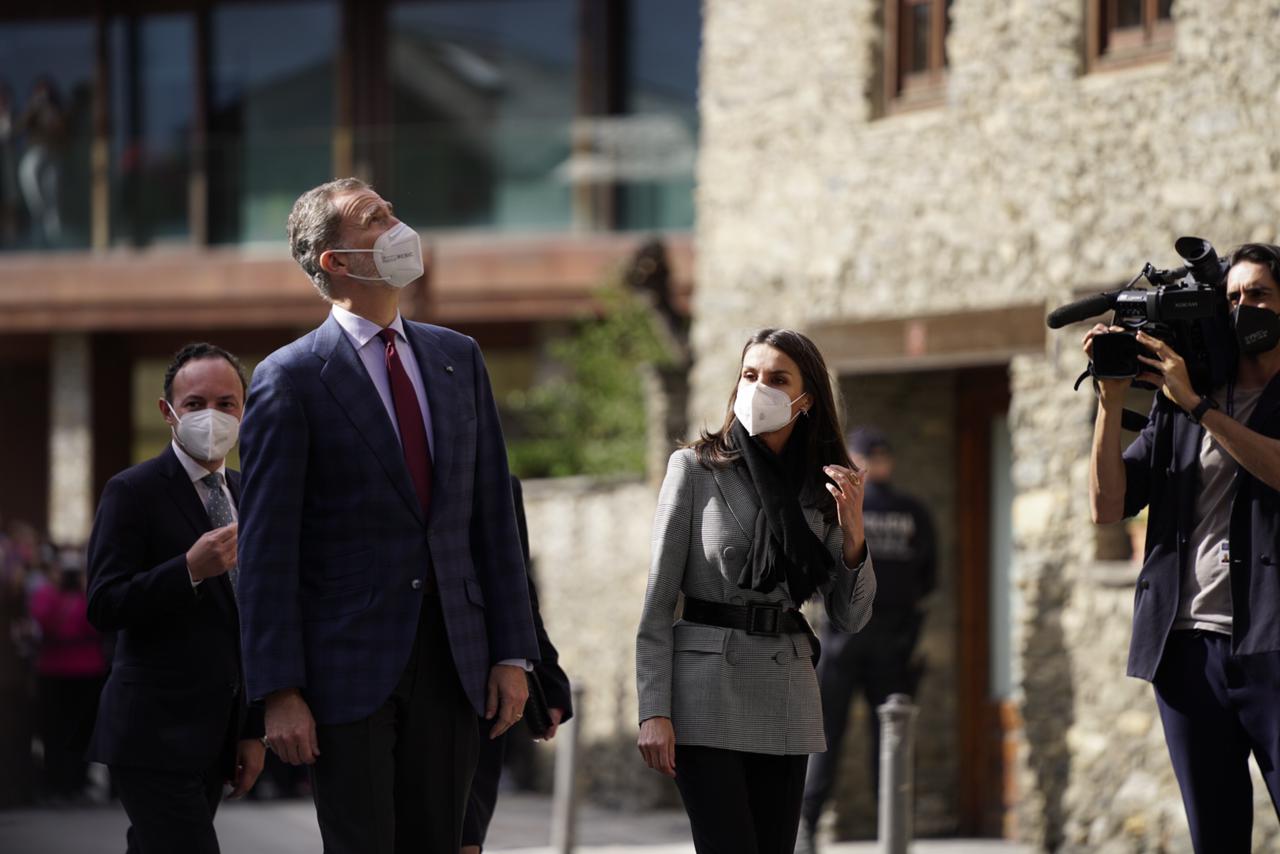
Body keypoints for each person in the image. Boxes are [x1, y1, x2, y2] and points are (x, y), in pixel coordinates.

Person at [238, 177, 539, 854]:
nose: (399, 225)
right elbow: (267, 551)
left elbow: (494, 517)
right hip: (347, 672)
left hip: (455, 660)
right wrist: (278, 691)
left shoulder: (459, 358)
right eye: (375, 219)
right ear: (336, 263)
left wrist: (513, 653)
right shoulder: (289, 379)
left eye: (392, 210)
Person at [636, 328, 877, 854]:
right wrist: (654, 710)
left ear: (805, 399)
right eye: (750, 375)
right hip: (705, 688)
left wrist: (854, 531)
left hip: (785, 687)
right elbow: (657, 603)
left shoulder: (823, 487)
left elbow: (850, 617)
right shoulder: (696, 469)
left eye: (777, 379)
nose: (759, 388)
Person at [1086, 243, 1280, 853]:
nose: (1244, 307)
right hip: (1187, 654)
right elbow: (1107, 506)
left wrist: (1197, 405)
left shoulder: (1191, 400)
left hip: (1273, 650)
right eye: (1233, 298)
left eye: (1259, 295)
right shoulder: (1179, 404)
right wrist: (1111, 401)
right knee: (1215, 840)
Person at [85, 343, 265, 853]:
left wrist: (251, 730)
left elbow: (249, 622)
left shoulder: (246, 492)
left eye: (226, 403)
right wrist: (188, 570)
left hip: (217, 733)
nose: (212, 415)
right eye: (195, 403)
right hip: (152, 732)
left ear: (244, 408)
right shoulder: (133, 491)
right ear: (168, 412)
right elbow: (103, 603)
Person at [798, 427, 935, 851]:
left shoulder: (835, 508)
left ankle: (807, 827)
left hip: (843, 639)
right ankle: (893, 833)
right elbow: (929, 579)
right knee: (890, 739)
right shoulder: (913, 511)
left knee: (825, 739)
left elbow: (814, 572)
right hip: (891, 641)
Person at [461, 475, 573, 854]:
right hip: (383, 683)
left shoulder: (498, 485)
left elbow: (517, 589)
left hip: (476, 686)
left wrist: (547, 673)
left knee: (466, 837)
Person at [29, 554, 105, 802]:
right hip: (54, 670)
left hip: (86, 670)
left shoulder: (87, 593)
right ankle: (57, 782)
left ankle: (78, 781)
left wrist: (83, 591)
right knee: (54, 730)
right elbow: (43, 622)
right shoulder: (46, 594)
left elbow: (98, 623)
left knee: (81, 730)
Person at [17, 76, 65, 246]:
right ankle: (38, 225)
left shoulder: (57, 110)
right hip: (35, 152)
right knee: (30, 180)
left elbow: (62, 131)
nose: (43, 96)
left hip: (53, 154)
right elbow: (20, 126)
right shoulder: (33, 110)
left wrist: (52, 113)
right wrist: (34, 107)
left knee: (52, 192)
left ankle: (54, 236)